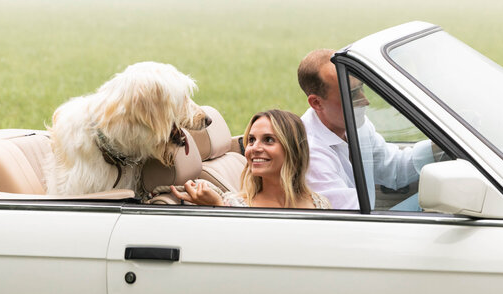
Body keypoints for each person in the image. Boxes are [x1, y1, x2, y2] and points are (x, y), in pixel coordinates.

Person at [298, 49, 432, 210]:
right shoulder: (310, 153)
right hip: (358, 230)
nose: (365, 100)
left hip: (367, 221)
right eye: (352, 94)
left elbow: (394, 169)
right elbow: (348, 217)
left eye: (361, 88)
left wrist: (439, 147)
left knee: (440, 197)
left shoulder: (353, 122)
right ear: (317, 103)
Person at [171, 109, 330, 209]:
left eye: (268, 140)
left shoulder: (319, 204)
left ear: (293, 150)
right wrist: (219, 208)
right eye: (251, 140)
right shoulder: (231, 205)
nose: (254, 148)